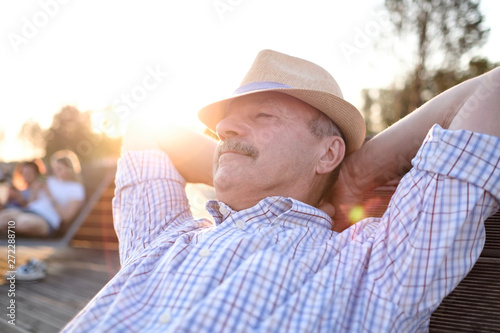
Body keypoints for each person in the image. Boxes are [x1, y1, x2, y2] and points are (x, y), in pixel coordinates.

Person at [62, 50, 499, 332]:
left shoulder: (373, 265)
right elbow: (144, 129)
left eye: (264, 115)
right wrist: (237, 156)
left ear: (328, 152)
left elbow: (492, 89)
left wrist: (357, 171)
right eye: (222, 128)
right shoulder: (165, 237)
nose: (224, 128)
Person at [0, 150, 85, 237]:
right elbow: (30, 203)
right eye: (55, 169)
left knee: (22, 223)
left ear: (70, 169)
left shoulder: (76, 188)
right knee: (4, 217)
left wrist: (50, 196)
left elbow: (66, 217)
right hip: (30, 211)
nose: (56, 172)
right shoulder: (50, 181)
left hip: (47, 220)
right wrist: (35, 191)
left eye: (59, 169)